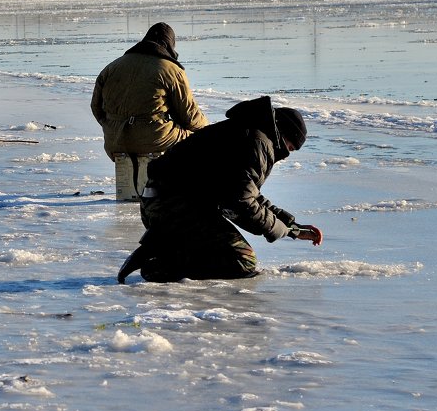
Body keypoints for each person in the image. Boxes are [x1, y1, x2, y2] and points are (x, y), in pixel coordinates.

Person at [116, 96, 322, 283]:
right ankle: (160, 262)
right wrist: (282, 230)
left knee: (231, 252)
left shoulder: (249, 132)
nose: (287, 154)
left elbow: (247, 194)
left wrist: (292, 227)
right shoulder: (257, 142)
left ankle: (166, 245)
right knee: (243, 261)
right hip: (173, 207)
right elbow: (241, 202)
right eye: (290, 147)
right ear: (283, 134)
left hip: (162, 202)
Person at [91, 22, 208, 161]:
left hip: (114, 141)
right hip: (154, 139)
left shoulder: (112, 67)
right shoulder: (171, 70)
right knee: (200, 141)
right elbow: (188, 117)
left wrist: (113, 126)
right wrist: (208, 129)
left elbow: (96, 107)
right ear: (169, 45)